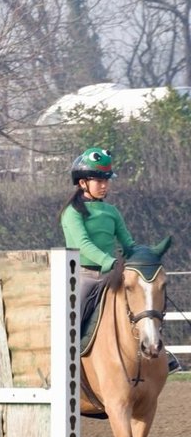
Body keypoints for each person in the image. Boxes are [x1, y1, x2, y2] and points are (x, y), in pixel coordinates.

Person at [60, 146, 179, 371]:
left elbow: (128, 244)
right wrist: (111, 262)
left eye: (106, 180)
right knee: (75, 314)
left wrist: (146, 254)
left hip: (112, 273)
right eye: (99, 180)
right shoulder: (72, 213)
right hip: (83, 276)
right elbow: (84, 245)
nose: (104, 185)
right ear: (82, 182)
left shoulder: (112, 211)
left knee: (145, 303)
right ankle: (64, 357)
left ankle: (160, 349)